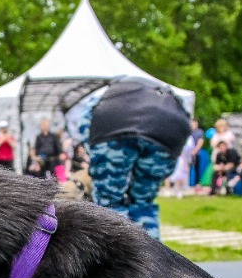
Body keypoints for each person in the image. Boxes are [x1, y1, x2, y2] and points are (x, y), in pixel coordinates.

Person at [79, 77, 192, 238]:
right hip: (171, 128)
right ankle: (152, 258)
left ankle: (117, 255)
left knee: (110, 200)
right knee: (143, 203)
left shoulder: (101, 99)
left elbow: (85, 126)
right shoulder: (144, 90)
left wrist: (98, 164)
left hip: (116, 125)